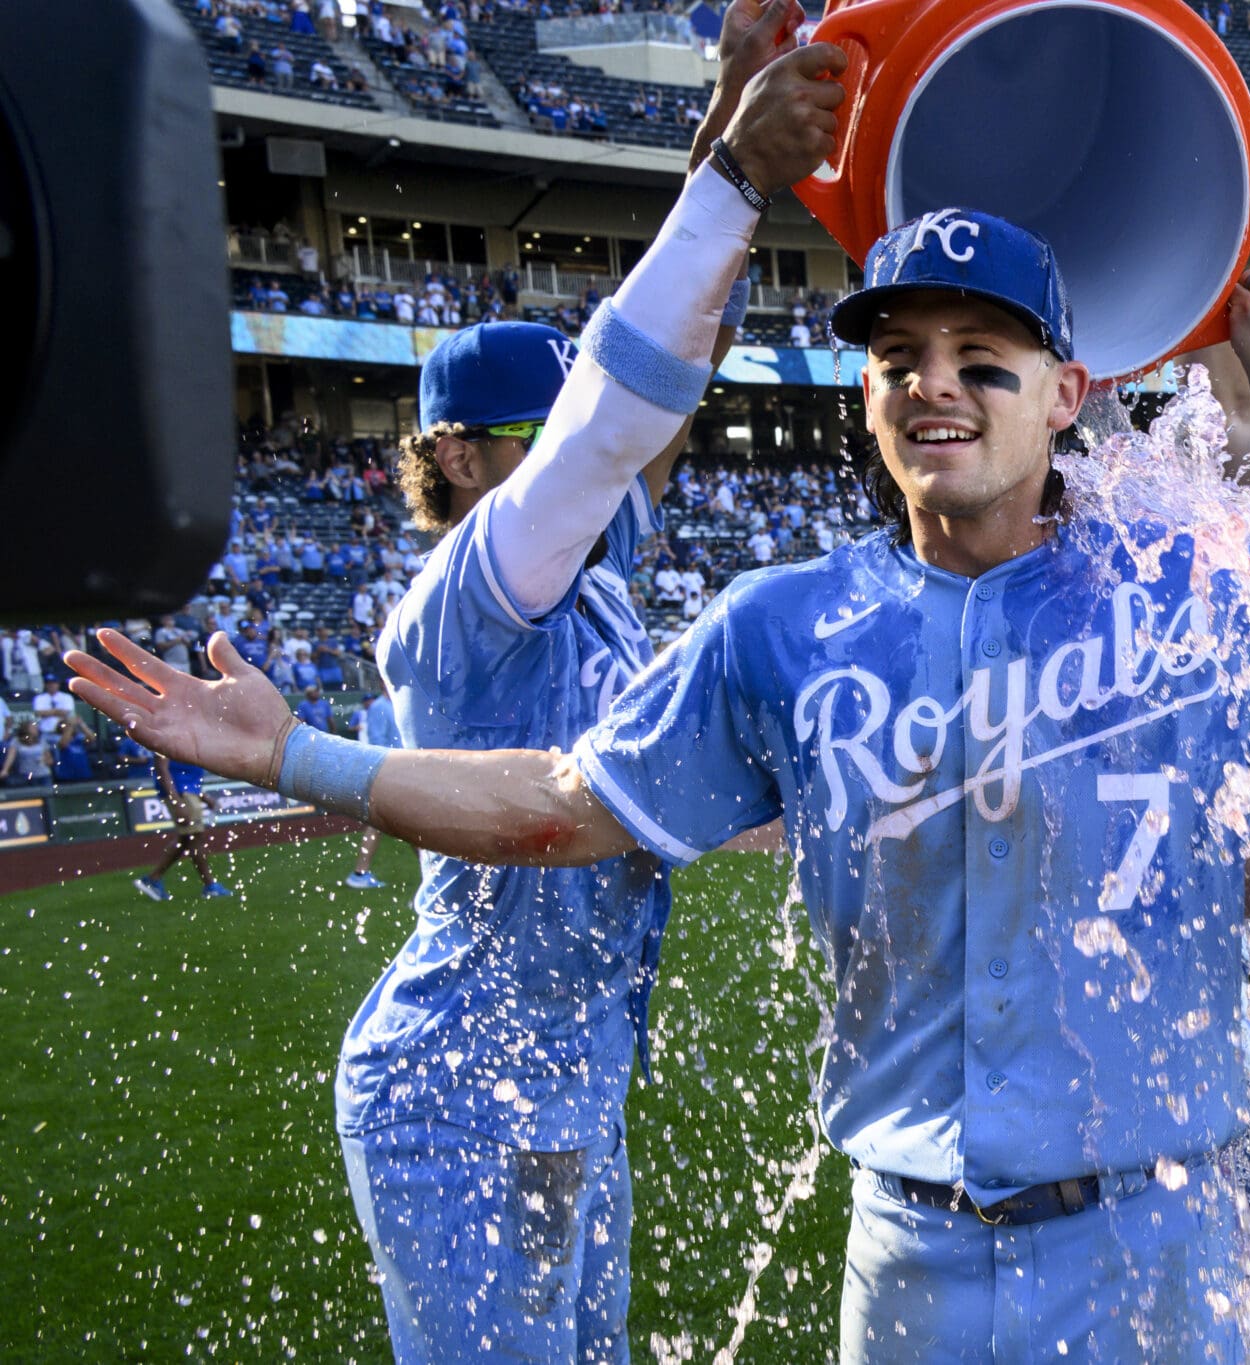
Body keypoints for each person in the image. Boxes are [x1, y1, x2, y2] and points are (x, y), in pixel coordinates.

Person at [74, 190, 1250, 1363]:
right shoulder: (773, 625)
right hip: (903, 1259)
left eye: (987, 355)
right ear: (866, 394)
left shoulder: (1189, 606)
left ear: (1068, 394)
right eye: (901, 353)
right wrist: (304, 752)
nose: (936, 383)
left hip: (1149, 1246)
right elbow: (558, 805)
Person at [131, 15, 826, 1365]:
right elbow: (611, 422)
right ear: (450, 453)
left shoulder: (594, 568)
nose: (562, 443)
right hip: (454, 1087)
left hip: (572, 1074)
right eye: (528, 429)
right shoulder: (467, 599)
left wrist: (733, 115)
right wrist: (739, 172)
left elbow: (657, 399)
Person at [133, 750, 231, 901]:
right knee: (195, 838)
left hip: (186, 793)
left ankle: (153, 878)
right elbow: (162, 768)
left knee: (186, 839)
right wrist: (176, 802)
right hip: (180, 795)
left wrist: (203, 797)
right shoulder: (167, 733)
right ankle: (210, 885)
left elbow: (186, 775)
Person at [346, 676, 399, 891]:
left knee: (409, 826)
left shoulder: (393, 705)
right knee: (379, 824)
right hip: (390, 772)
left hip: (399, 771)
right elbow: (378, 741)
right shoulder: (379, 707)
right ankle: (360, 872)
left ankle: (360, 872)